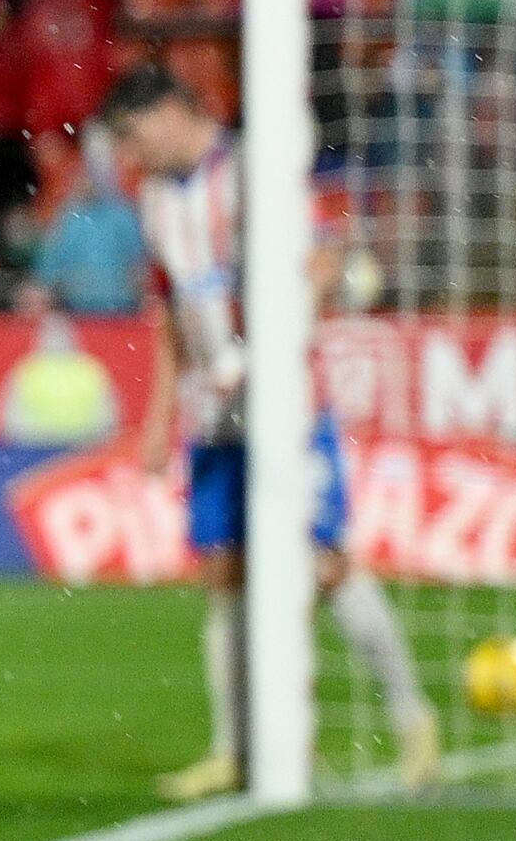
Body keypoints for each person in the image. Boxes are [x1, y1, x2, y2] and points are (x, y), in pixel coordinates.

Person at [103, 65, 439, 797]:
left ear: (166, 110)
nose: (129, 156)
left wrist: (277, 341)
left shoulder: (256, 168)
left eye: (131, 137)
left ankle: (414, 718)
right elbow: (170, 315)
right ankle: (234, 749)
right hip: (213, 411)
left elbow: (324, 260)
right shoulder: (156, 200)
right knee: (220, 571)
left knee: (323, 561)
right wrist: (159, 418)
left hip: (285, 401)